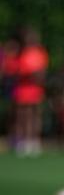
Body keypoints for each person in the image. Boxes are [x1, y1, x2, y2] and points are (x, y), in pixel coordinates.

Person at [8, 27, 49, 156]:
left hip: (35, 89)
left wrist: (33, 75)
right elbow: (13, 69)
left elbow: (41, 72)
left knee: (34, 116)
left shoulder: (39, 53)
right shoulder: (20, 52)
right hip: (22, 89)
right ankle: (22, 141)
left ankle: (34, 141)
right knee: (21, 116)